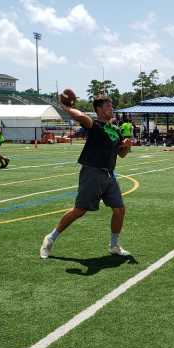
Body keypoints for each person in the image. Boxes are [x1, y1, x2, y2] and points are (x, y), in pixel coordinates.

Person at [39, 91, 132, 259]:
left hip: (110, 175)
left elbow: (122, 154)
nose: (111, 108)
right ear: (98, 109)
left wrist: (126, 145)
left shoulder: (115, 130)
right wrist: (68, 108)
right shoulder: (95, 125)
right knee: (79, 210)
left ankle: (114, 245)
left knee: (119, 210)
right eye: (108, 106)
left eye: (111, 105)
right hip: (92, 172)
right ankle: (50, 238)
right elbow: (81, 117)